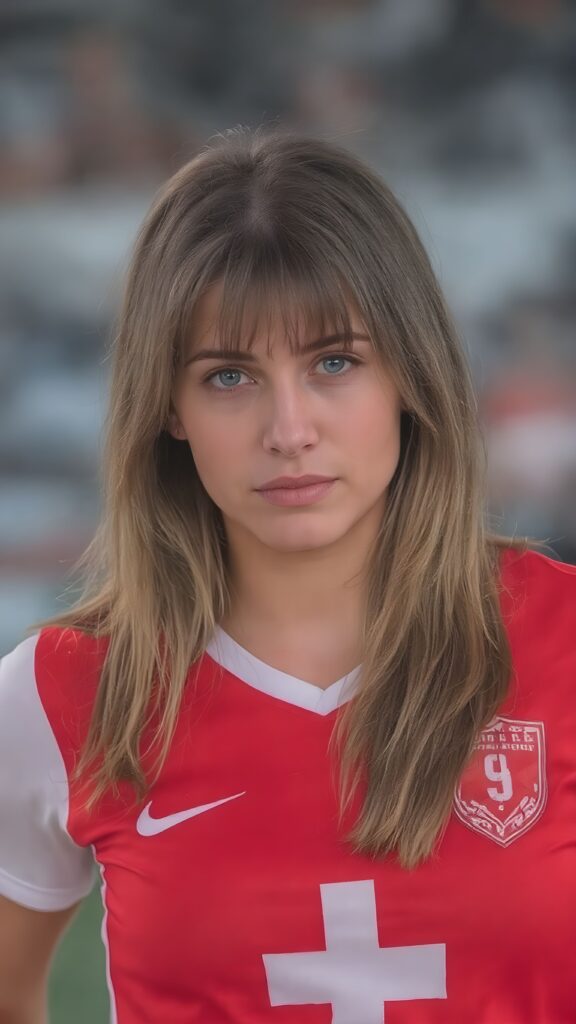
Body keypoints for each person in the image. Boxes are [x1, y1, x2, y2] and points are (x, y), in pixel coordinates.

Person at [0, 126, 574, 1024]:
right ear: (169, 410)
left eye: (334, 362)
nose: (289, 428)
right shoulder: (59, 691)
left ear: (410, 376)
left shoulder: (565, 636)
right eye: (229, 377)